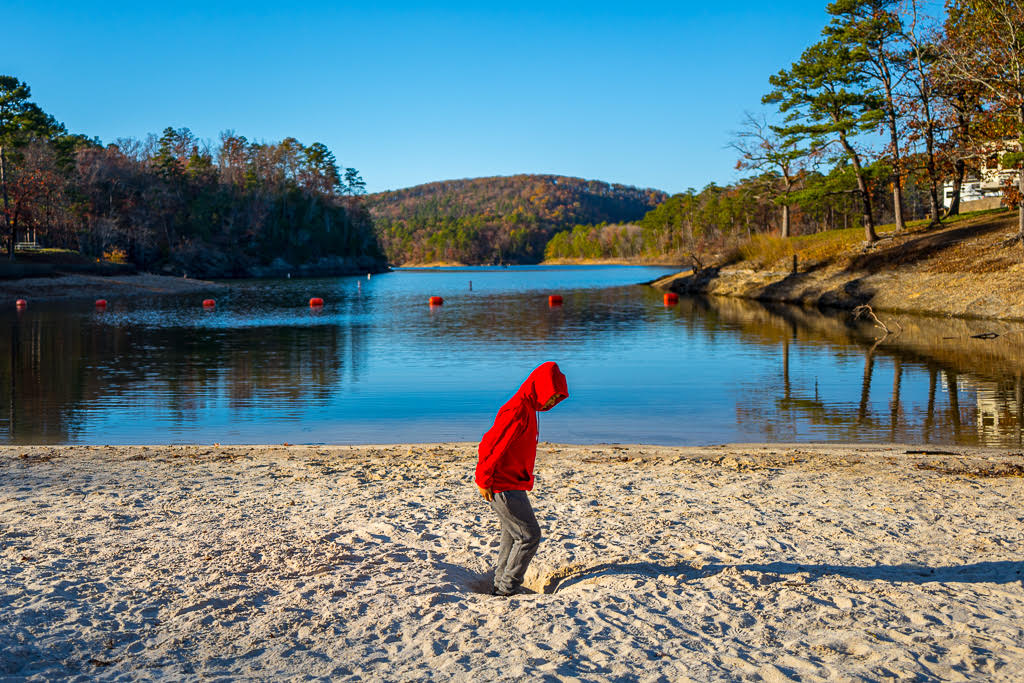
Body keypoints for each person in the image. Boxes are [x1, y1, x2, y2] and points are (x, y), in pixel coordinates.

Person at [475, 361, 568, 596]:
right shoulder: (517, 409)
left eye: (556, 399)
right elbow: (491, 444)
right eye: (550, 396)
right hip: (502, 484)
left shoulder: (528, 408)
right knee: (529, 536)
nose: (551, 403)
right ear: (539, 388)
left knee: (511, 533)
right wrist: (483, 479)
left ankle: (499, 584)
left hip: (513, 482)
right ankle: (508, 588)